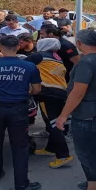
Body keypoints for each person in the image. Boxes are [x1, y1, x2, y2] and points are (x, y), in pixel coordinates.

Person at [0, 35, 43, 190]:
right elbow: (37, 90)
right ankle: (21, 183)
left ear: (0, 47)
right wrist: (24, 91)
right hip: (19, 108)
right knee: (20, 146)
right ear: (18, 47)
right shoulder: (29, 67)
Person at [55, 29, 96, 190]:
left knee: (86, 151)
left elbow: (78, 91)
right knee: (91, 148)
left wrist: (63, 116)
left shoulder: (86, 62)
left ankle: (94, 186)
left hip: (87, 114)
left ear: (79, 43)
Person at [25, 38, 73, 169]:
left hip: (48, 93)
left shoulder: (39, 56)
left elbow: (20, 64)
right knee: (52, 122)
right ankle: (50, 148)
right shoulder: (57, 57)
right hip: (60, 93)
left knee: (53, 125)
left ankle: (63, 155)